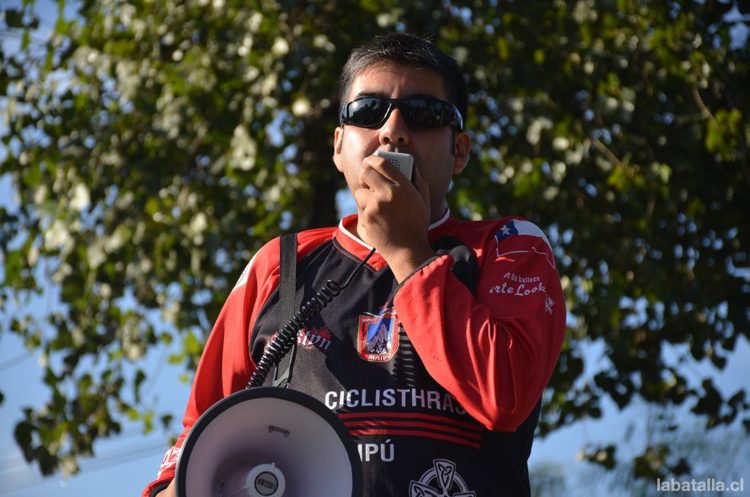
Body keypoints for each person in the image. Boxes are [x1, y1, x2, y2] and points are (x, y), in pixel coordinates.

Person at [143, 32, 566, 497]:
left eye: (424, 114)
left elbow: (503, 395)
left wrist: (407, 252)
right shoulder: (280, 264)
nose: (393, 131)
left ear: (460, 151)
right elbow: (198, 440)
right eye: (368, 111)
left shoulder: (509, 247)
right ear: (339, 146)